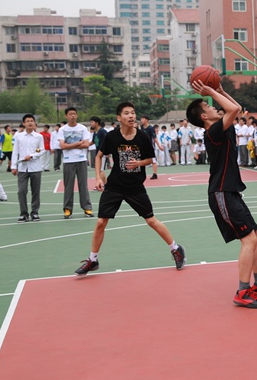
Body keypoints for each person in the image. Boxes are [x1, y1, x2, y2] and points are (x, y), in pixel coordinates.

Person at [187, 79, 257, 309]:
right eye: (208, 106)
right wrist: (211, 91)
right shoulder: (213, 131)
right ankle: (242, 291)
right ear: (204, 117)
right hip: (221, 192)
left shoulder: (223, 126)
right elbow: (235, 109)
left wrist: (220, 91)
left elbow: (234, 108)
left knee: (255, 235)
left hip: (230, 191)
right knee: (248, 239)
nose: (214, 107)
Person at [74, 102, 186, 276]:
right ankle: (93, 260)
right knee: (101, 222)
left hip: (135, 187)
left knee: (151, 221)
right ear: (119, 118)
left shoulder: (142, 137)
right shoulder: (112, 136)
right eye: (127, 113)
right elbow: (99, 156)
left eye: (133, 112)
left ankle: (176, 248)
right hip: (114, 186)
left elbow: (150, 159)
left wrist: (138, 163)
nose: (131, 116)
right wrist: (97, 177)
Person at [59, 107, 94, 219]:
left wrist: (70, 145)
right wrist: (78, 143)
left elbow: (86, 144)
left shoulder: (82, 128)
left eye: (74, 114)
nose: (72, 116)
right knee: (68, 185)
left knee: (83, 185)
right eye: (70, 114)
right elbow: (63, 146)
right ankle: (68, 209)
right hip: (68, 160)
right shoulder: (62, 130)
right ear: (66, 116)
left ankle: (87, 208)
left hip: (81, 159)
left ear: (77, 115)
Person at [11, 114, 45, 222]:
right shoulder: (18, 136)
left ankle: (35, 212)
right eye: (28, 121)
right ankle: (23, 213)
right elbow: (15, 152)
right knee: (21, 191)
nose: (30, 123)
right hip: (22, 168)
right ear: (24, 123)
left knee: (35, 191)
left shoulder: (39, 136)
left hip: (35, 167)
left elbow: (42, 151)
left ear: (34, 123)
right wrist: (13, 166)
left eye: (31, 121)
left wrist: (32, 156)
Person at [140, 115, 159, 179]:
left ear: (146, 120)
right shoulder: (142, 127)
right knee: (143, 160)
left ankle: (155, 174)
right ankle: (142, 173)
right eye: (141, 119)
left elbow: (154, 138)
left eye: (143, 119)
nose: (141, 120)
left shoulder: (151, 128)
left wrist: (159, 146)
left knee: (153, 160)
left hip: (150, 146)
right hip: (143, 146)